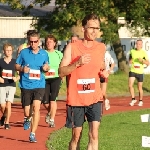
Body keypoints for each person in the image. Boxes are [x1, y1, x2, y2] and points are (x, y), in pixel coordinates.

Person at [58, 14, 109, 150]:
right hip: (76, 100)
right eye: (91, 27)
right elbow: (61, 72)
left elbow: (101, 68)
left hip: (95, 98)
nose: (94, 31)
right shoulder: (72, 47)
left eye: (97, 28)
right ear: (83, 28)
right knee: (76, 137)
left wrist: (104, 74)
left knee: (94, 134)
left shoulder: (101, 47)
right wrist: (77, 64)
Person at [15, 31, 50, 143]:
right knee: (26, 110)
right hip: (26, 85)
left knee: (36, 107)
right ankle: (27, 118)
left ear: (39, 41)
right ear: (29, 41)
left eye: (35, 41)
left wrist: (46, 68)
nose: (33, 44)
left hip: (39, 84)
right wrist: (22, 69)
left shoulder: (44, 53)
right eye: (31, 42)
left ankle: (33, 133)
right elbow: (16, 65)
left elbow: (47, 65)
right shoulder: (24, 52)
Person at [42, 34, 63, 127]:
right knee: (45, 102)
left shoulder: (59, 54)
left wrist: (62, 75)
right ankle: (50, 113)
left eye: (51, 41)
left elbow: (63, 65)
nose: (48, 43)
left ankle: (52, 120)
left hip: (56, 78)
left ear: (55, 43)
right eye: (47, 42)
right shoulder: (42, 53)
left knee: (53, 99)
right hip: (45, 78)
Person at [0, 43, 20, 129]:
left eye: (10, 50)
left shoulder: (15, 62)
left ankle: (7, 122)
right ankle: (4, 116)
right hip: (2, 85)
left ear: (12, 51)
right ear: (3, 51)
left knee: (8, 104)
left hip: (11, 85)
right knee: (2, 105)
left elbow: (20, 74)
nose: (8, 52)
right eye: (7, 50)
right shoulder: (0, 61)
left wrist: (16, 78)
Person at [129, 39, 149, 107]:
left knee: (139, 87)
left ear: (142, 45)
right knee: (130, 85)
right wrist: (131, 61)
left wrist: (142, 61)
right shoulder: (132, 51)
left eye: (140, 44)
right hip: (133, 70)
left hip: (140, 72)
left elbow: (148, 63)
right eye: (137, 44)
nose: (138, 45)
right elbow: (129, 61)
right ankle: (133, 99)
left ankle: (140, 101)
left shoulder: (143, 53)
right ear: (136, 44)